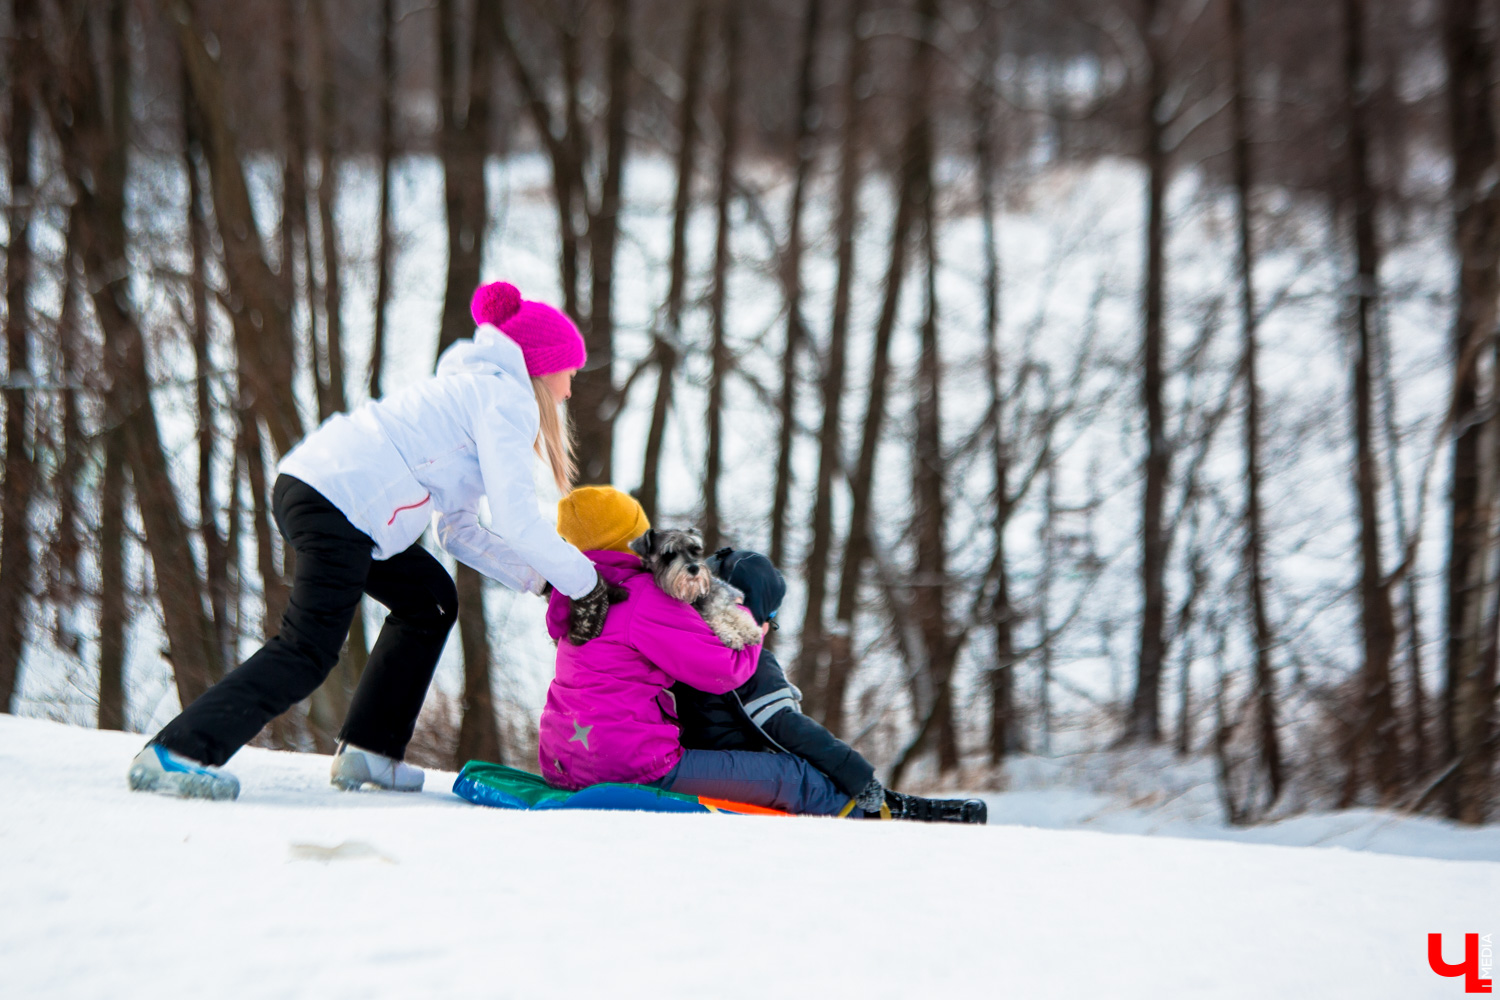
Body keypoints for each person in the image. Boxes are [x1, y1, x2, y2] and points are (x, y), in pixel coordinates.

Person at [128, 282, 617, 801]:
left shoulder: (471, 393)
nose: (569, 390)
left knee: (429, 598)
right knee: (308, 648)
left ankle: (371, 750)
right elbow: (518, 519)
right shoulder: (506, 401)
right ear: (542, 366)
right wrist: (587, 584)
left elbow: (458, 530)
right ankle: (176, 752)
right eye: (568, 373)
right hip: (340, 503)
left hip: (320, 490)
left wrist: (545, 581)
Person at [537, 487, 867, 816]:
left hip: (563, 762)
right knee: (795, 778)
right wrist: (746, 619)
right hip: (627, 766)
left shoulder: (576, 596)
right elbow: (725, 670)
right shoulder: (642, 595)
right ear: (633, 539)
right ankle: (871, 821)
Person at [675, 548, 988, 824]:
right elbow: (784, 725)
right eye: (771, 615)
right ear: (751, 610)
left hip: (695, 760)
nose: (770, 626)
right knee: (804, 776)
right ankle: (877, 815)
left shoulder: (682, 645)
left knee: (807, 771)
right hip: (722, 765)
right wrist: (856, 774)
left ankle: (888, 806)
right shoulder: (742, 658)